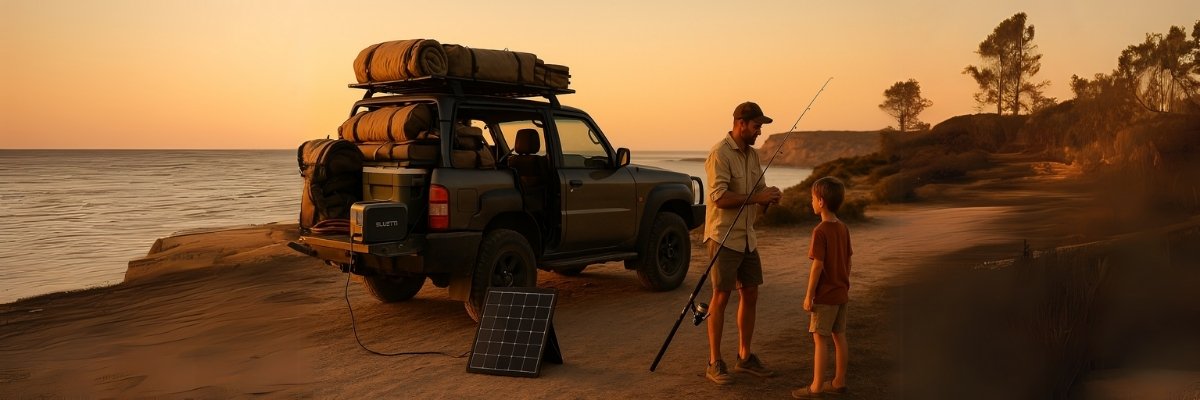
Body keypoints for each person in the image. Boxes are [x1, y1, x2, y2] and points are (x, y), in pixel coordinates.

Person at [703, 101, 783, 385]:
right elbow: (719, 198)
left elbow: (758, 191)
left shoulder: (753, 156)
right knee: (721, 297)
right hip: (723, 236)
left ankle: (744, 357)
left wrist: (769, 196)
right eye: (757, 126)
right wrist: (756, 198)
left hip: (747, 237)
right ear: (741, 123)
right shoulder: (719, 154)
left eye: (760, 126)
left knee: (750, 294)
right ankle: (714, 362)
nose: (759, 132)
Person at [793, 176, 853, 398]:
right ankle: (839, 381)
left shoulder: (820, 231)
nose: (810, 202)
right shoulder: (843, 228)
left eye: (811, 198)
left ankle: (816, 387)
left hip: (825, 295)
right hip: (841, 292)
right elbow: (848, 260)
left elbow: (817, 266)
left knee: (820, 339)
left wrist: (809, 295)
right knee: (840, 336)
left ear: (820, 201)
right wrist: (844, 281)